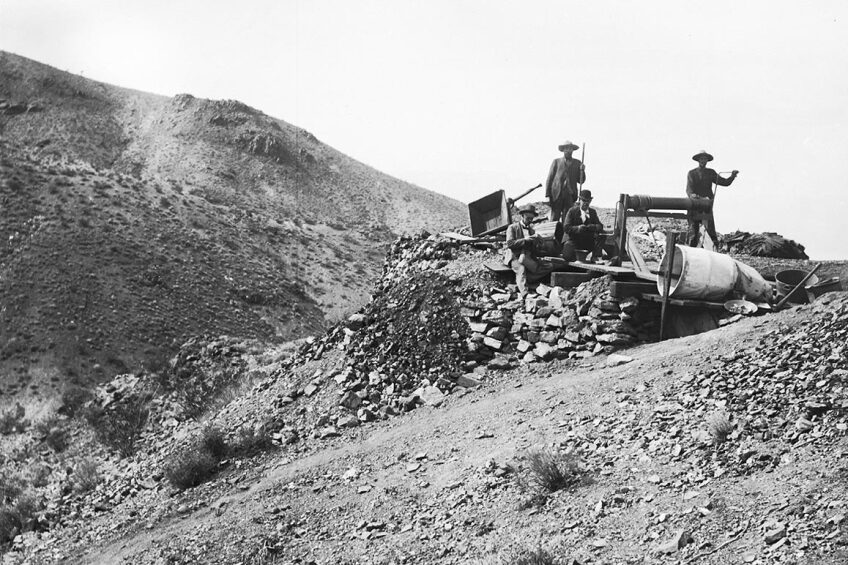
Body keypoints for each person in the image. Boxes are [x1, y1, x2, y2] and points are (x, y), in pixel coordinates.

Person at [686, 150, 738, 249]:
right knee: (693, 233)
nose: (703, 160)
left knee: (710, 232)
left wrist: (732, 176)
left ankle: (713, 253)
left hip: (706, 206)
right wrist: (693, 196)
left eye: (705, 159)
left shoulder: (710, 173)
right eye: (701, 158)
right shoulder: (692, 173)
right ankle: (691, 254)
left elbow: (724, 182)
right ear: (698, 160)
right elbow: (689, 189)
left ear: (707, 161)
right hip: (694, 205)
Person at [504, 204, 553, 294]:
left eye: (531, 219)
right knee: (521, 270)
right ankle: (525, 294)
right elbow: (510, 244)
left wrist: (539, 243)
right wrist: (525, 240)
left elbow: (534, 249)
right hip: (514, 255)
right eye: (528, 218)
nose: (529, 221)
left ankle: (528, 280)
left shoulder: (532, 230)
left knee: (548, 266)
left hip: (527, 256)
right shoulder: (512, 227)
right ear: (522, 216)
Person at [545, 141, 585, 222]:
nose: (568, 150)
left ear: (573, 150)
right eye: (566, 148)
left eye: (570, 148)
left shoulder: (578, 163)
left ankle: (565, 234)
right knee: (554, 218)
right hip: (556, 195)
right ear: (563, 150)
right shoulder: (556, 162)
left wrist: (582, 171)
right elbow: (549, 179)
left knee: (567, 219)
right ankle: (554, 234)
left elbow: (581, 181)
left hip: (570, 195)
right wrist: (547, 195)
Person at [562, 189, 605, 262]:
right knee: (567, 256)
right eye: (584, 201)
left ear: (590, 201)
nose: (586, 203)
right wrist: (578, 228)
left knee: (602, 235)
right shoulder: (572, 211)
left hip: (588, 242)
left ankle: (595, 256)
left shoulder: (592, 212)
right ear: (580, 200)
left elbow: (600, 226)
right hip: (574, 241)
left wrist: (592, 227)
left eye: (588, 201)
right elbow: (566, 227)